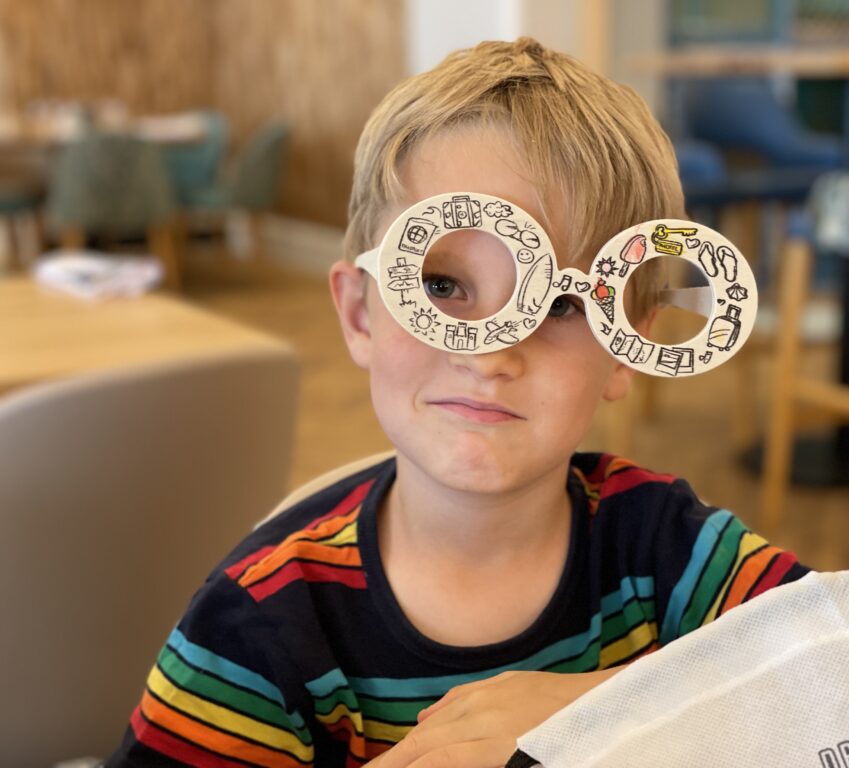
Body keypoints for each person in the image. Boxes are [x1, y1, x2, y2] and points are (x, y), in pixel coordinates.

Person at [107, 37, 807, 768]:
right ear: (359, 314)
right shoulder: (258, 630)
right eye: (440, 285)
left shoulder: (667, 550)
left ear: (625, 345)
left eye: (561, 304)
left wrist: (604, 710)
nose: (491, 355)